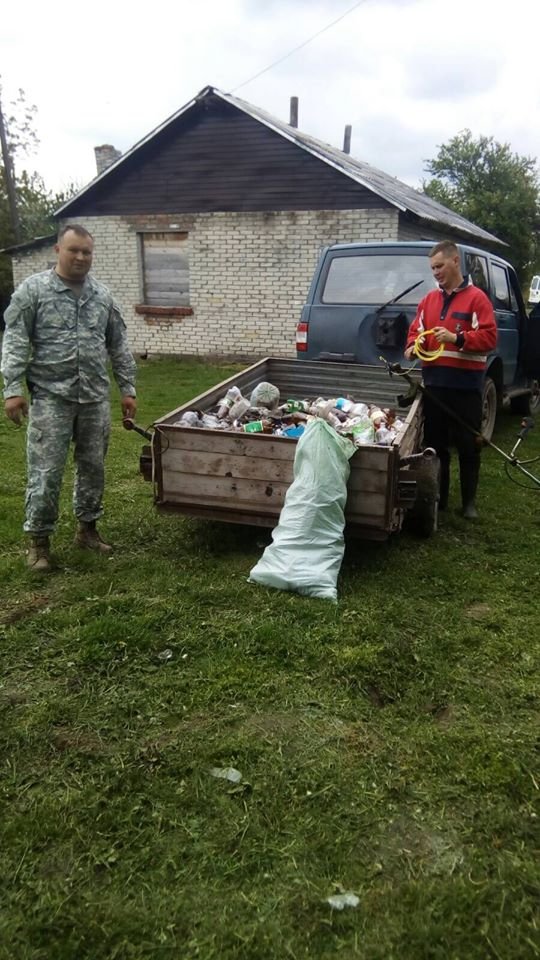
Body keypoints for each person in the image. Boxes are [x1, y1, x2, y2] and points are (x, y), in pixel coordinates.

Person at [1, 224, 137, 571]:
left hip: (93, 398)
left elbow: (118, 346)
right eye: (73, 250)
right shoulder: (34, 291)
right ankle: (38, 543)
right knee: (46, 473)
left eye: (86, 252)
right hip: (51, 397)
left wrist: (128, 389)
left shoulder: (102, 297)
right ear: (57, 250)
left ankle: (87, 530)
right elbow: (15, 341)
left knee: (93, 468)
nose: (80, 257)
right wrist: (13, 390)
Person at [404, 240, 497, 519]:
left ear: (456, 261)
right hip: (434, 386)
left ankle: (469, 504)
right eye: (432, 268)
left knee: (469, 445)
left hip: (466, 387)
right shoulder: (428, 301)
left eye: (440, 266)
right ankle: (438, 500)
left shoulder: (477, 299)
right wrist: (410, 349)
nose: (436, 272)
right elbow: (414, 334)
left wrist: (457, 338)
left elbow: (490, 338)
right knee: (434, 447)